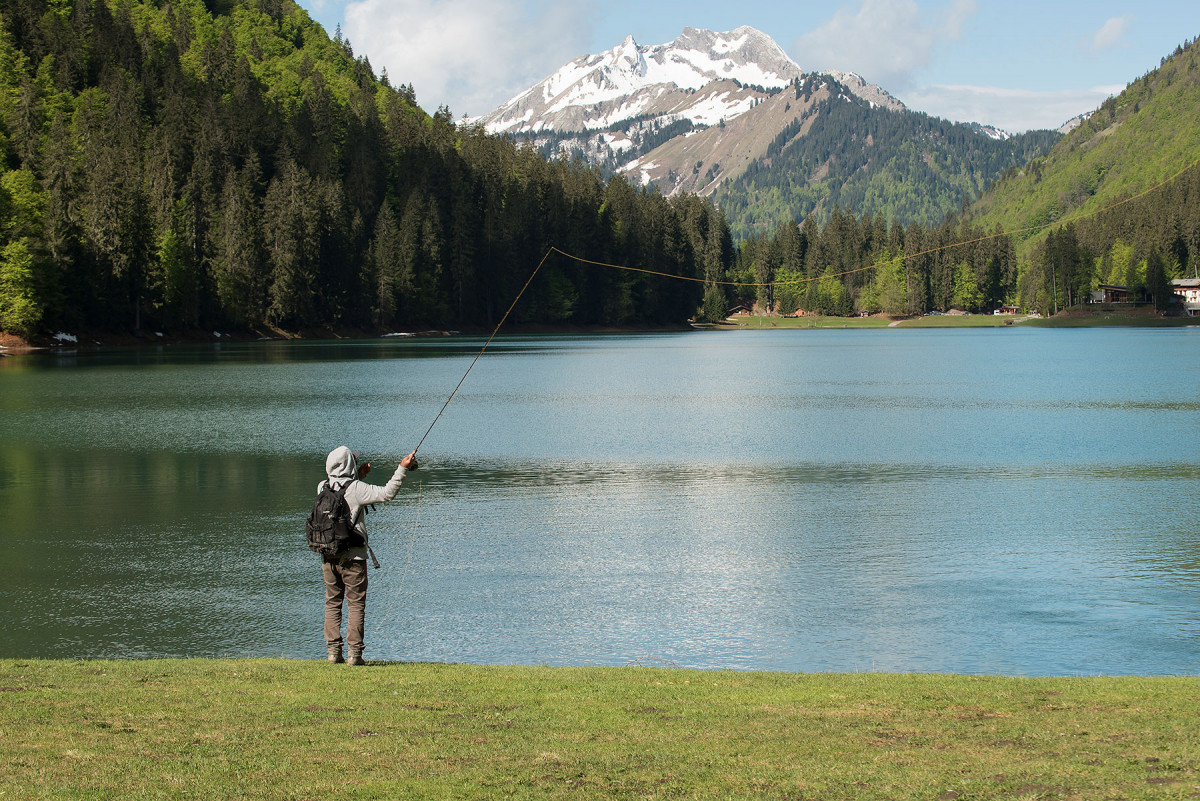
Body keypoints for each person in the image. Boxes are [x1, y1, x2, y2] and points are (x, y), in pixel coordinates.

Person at [318, 445, 418, 665]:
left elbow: (342, 487)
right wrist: (402, 468)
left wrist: (358, 475)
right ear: (348, 465)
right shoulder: (357, 489)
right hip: (353, 557)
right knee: (355, 604)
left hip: (329, 555)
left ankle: (333, 653)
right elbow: (386, 494)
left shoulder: (322, 487)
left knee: (333, 602)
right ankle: (355, 655)